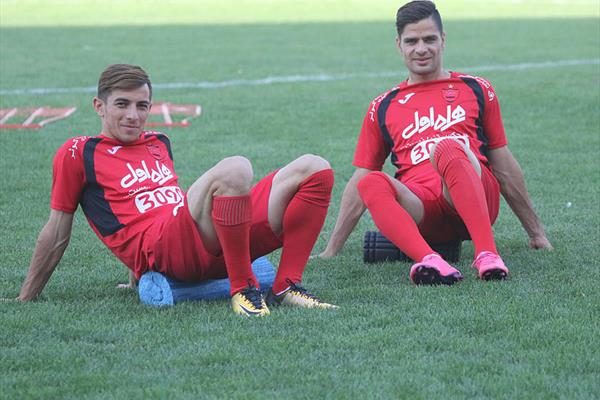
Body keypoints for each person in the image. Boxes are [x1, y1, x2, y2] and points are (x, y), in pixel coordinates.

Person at [16, 63, 338, 316]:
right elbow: (57, 231)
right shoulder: (78, 152)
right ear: (99, 106)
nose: (133, 115)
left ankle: (286, 286)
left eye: (142, 105)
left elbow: (145, 203)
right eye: (122, 104)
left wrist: (134, 278)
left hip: (207, 240)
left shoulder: (158, 142)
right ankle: (243, 290)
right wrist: (26, 296)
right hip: (168, 253)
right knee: (236, 168)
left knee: (315, 168)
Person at [318, 1, 552, 284]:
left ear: (443, 39)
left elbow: (503, 166)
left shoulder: (477, 88)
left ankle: (487, 254)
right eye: (411, 41)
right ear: (399, 45)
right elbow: (362, 176)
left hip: (475, 195)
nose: (421, 49)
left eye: (429, 39)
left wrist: (536, 233)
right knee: (370, 182)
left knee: (447, 147)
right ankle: (431, 260)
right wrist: (332, 249)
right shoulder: (383, 105)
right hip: (423, 211)